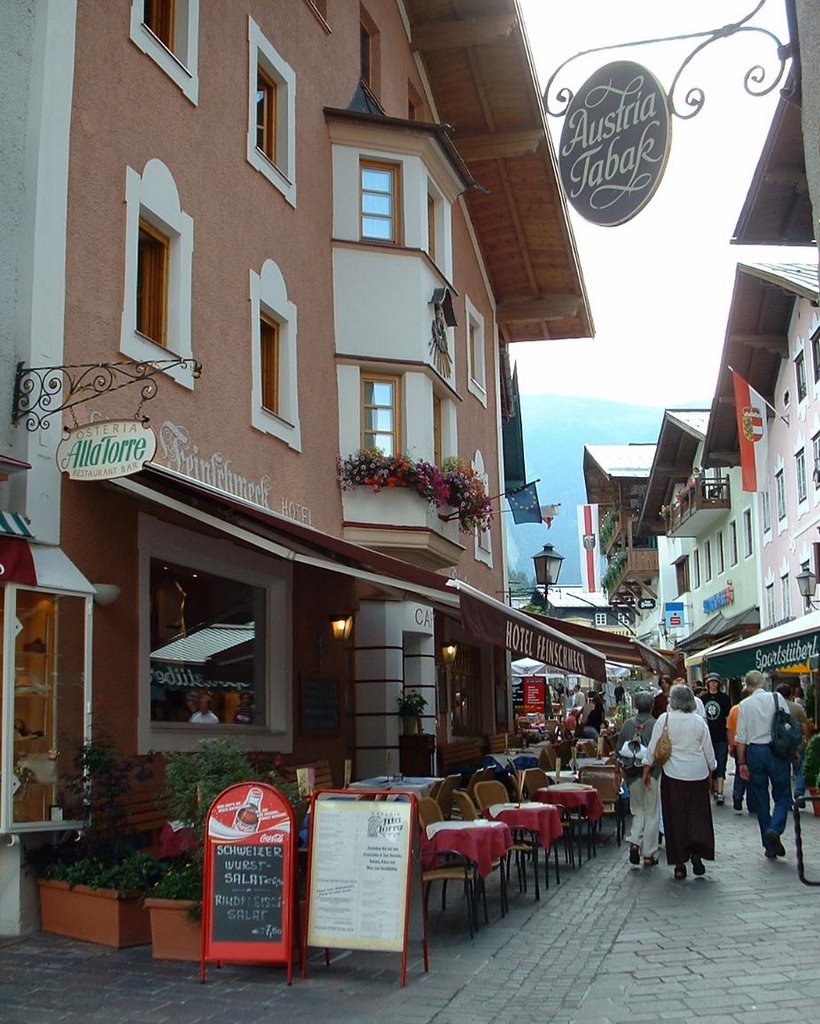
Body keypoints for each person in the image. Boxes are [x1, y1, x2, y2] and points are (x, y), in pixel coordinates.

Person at [643, 683, 716, 880]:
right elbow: (708, 751)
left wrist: (647, 769)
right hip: (698, 774)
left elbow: (653, 748)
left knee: (675, 819)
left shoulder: (664, 719)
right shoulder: (699, 721)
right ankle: (697, 851)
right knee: (698, 816)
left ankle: (680, 863)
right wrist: (712, 769)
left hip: (673, 775)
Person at [735, 670, 793, 859]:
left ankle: (768, 845)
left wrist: (741, 762)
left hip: (755, 752)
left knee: (760, 798)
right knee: (783, 794)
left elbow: (741, 738)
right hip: (776, 751)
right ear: (763, 682)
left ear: (748, 686)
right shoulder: (777, 698)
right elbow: (787, 724)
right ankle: (775, 828)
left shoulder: (744, 704)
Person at [618, 692, 660, 867]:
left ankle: (635, 841)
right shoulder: (655, 724)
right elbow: (660, 750)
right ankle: (649, 853)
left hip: (632, 774)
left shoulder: (627, 724)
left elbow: (618, 749)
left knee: (638, 810)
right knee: (651, 813)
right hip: (652, 774)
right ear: (651, 706)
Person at [703, 672, 731, 805]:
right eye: (711, 681)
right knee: (710, 764)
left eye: (715, 682)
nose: (713, 684)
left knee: (721, 762)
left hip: (721, 736)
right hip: (708, 737)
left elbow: (727, 718)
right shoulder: (703, 699)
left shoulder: (724, 698)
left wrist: (729, 735)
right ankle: (713, 788)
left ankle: (719, 791)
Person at [777, 683, 808, 799]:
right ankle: (799, 791)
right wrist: (806, 740)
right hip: (797, 742)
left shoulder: (776, 708)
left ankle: (787, 799)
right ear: (790, 694)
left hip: (780, 744)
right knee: (799, 768)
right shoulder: (798, 708)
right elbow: (805, 726)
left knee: (784, 771)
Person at [727, 687, 752, 813]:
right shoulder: (753, 709)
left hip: (738, 745)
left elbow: (730, 730)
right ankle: (752, 802)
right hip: (752, 744)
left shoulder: (735, 709)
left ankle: (737, 796)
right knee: (753, 773)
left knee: (739, 771)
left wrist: (732, 746)